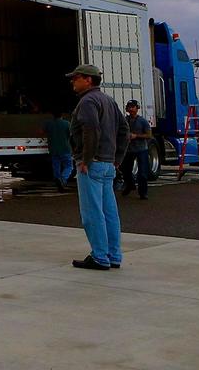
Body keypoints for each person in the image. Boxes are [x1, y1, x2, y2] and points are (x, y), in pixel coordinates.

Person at [66, 63, 130, 271]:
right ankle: (114, 255)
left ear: (88, 80)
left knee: (92, 213)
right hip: (107, 164)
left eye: (76, 77)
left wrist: (86, 159)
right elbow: (124, 130)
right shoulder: (109, 101)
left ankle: (100, 256)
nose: (72, 81)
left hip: (92, 165)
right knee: (109, 212)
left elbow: (90, 129)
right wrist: (117, 158)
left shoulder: (87, 101)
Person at [121, 99, 151, 199]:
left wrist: (136, 136)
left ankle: (143, 192)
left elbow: (149, 135)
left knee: (142, 172)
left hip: (141, 149)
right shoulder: (125, 120)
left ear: (137, 108)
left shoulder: (142, 121)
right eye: (129, 107)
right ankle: (130, 184)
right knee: (126, 170)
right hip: (129, 149)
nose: (131, 109)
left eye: (133, 107)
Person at [44, 111, 73, 193]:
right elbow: (71, 134)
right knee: (69, 166)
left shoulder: (49, 124)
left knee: (56, 166)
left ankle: (57, 179)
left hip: (53, 149)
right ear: (62, 115)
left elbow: (40, 132)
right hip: (65, 149)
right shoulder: (67, 123)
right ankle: (63, 179)